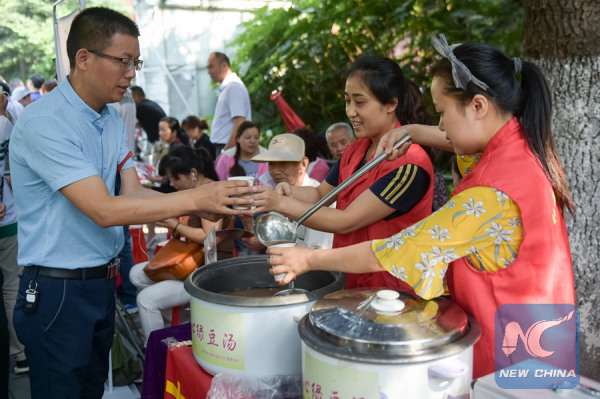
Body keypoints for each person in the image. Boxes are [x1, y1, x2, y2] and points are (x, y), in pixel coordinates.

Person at [267, 34, 576, 379]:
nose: (440, 126)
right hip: (540, 335)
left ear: (477, 106)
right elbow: (457, 139)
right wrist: (412, 131)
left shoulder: (489, 192)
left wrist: (308, 257)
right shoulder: (519, 149)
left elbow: (396, 249)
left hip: (508, 355)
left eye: (442, 113)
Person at [9, 8, 255, 398]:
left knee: (91, 389)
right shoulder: (46, 122)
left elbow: (131, 192)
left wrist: (194, 203)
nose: (131, 73)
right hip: (59, 290)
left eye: (135, 62)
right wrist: (195, 195)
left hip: (100, 284)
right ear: (84, 58)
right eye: (123, 61)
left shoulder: (108, 118)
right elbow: (104, 210)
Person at [252, 56, 435, 290]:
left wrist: (279, 203)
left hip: (392, 289)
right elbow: (320, 194)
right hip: (351, 280)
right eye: (347, 101)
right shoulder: (355, 149)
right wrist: (290, 192)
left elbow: (347, 221)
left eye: (360, 102)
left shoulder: (410, 163)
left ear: (391, 104)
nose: (350, 112)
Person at [130, 146, 233, 342]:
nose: (173, 184)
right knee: (136, 274)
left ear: (193, 173)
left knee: (146, 300)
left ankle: (157, 351)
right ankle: (179, 324)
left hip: (207, 272)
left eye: (175, 178)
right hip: (191, 263)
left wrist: (174, 224)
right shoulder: (197, 192)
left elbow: (208, 237)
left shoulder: (210, 193)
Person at [246, 133, 333, 250]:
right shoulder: (278, 192)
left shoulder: (321, 198)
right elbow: (273, 237)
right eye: (271, 164)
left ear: (303, 164)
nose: (276, 171)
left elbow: (318, 250)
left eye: (283, 163)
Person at [0, 94, 28, 375]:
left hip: (7, 220)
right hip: (7, 219)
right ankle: (19, 354)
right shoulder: (4, 125)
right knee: (11, 288)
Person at [206, 52, 252, 155]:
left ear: (224, 65)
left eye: (211, 67)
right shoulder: (229, 87)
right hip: (227, 147)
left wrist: (225, 153)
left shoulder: (233, 87)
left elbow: (240, 122)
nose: (209, 72)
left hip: (229, 147)